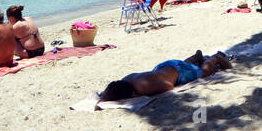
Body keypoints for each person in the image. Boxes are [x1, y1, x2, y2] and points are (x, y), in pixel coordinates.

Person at [96, 50, 231, 101]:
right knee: (185, 65)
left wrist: (143, 94)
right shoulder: (126, 79)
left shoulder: (144, 87)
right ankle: (195, 57)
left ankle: (215, 58)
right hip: (163, 67)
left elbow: (169, 86)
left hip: (178, 72)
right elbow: (108, 92)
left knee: (204, 73)